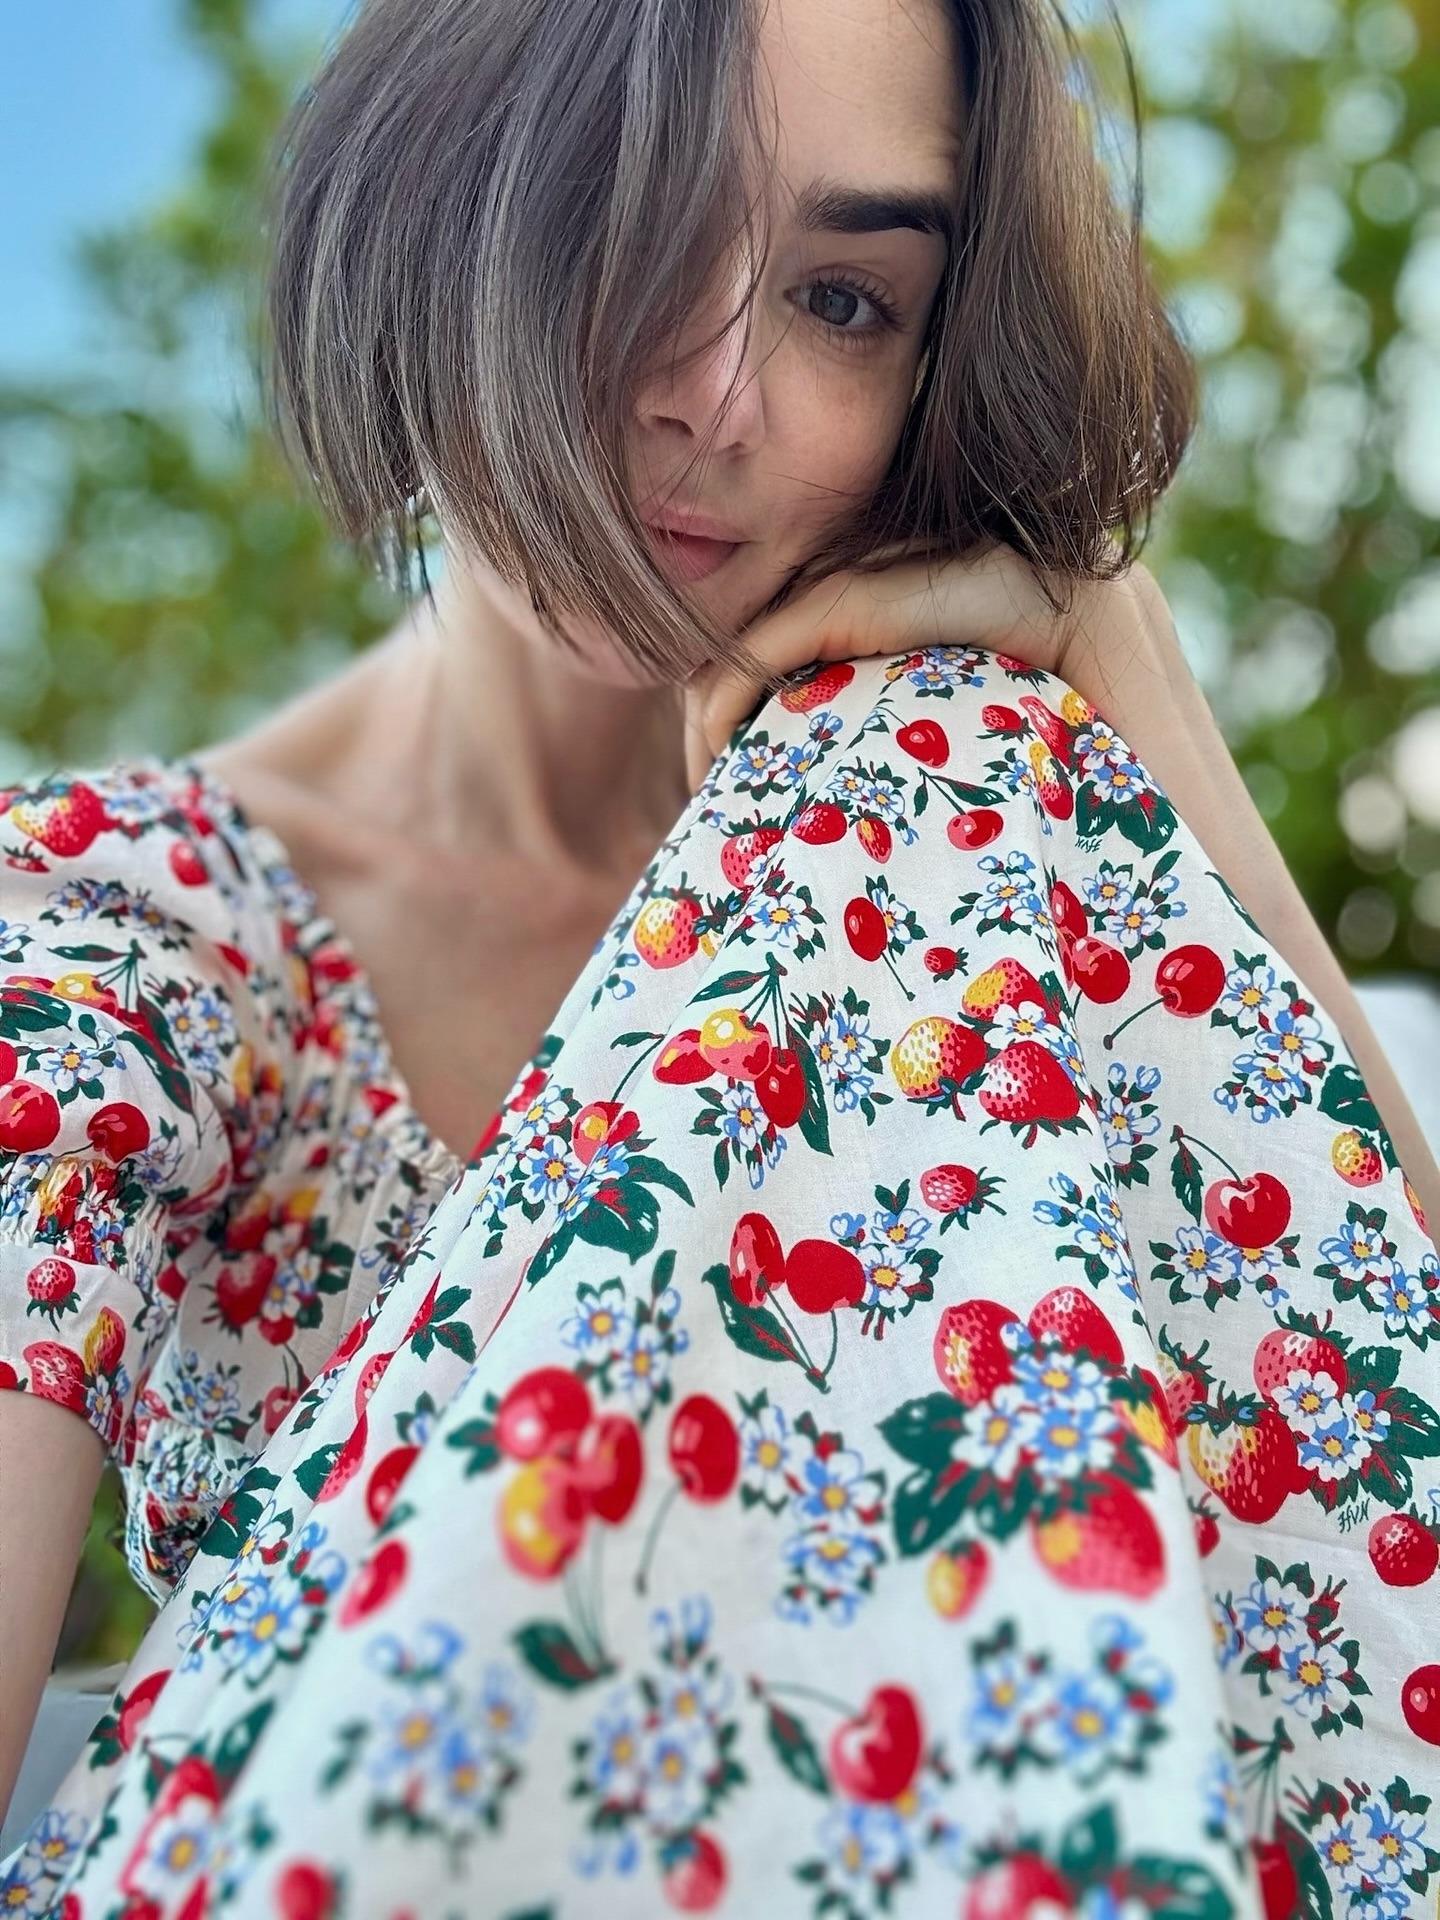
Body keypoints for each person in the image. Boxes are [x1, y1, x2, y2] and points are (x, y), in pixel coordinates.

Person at [2, 0, 1438, 1910]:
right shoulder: (134, 928)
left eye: (845, 299)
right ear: (445, 205)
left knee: (931, 741)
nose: (720, 396)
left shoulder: (957, 837)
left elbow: (1376, 1443)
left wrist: (1124, 668)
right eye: (635, 232)